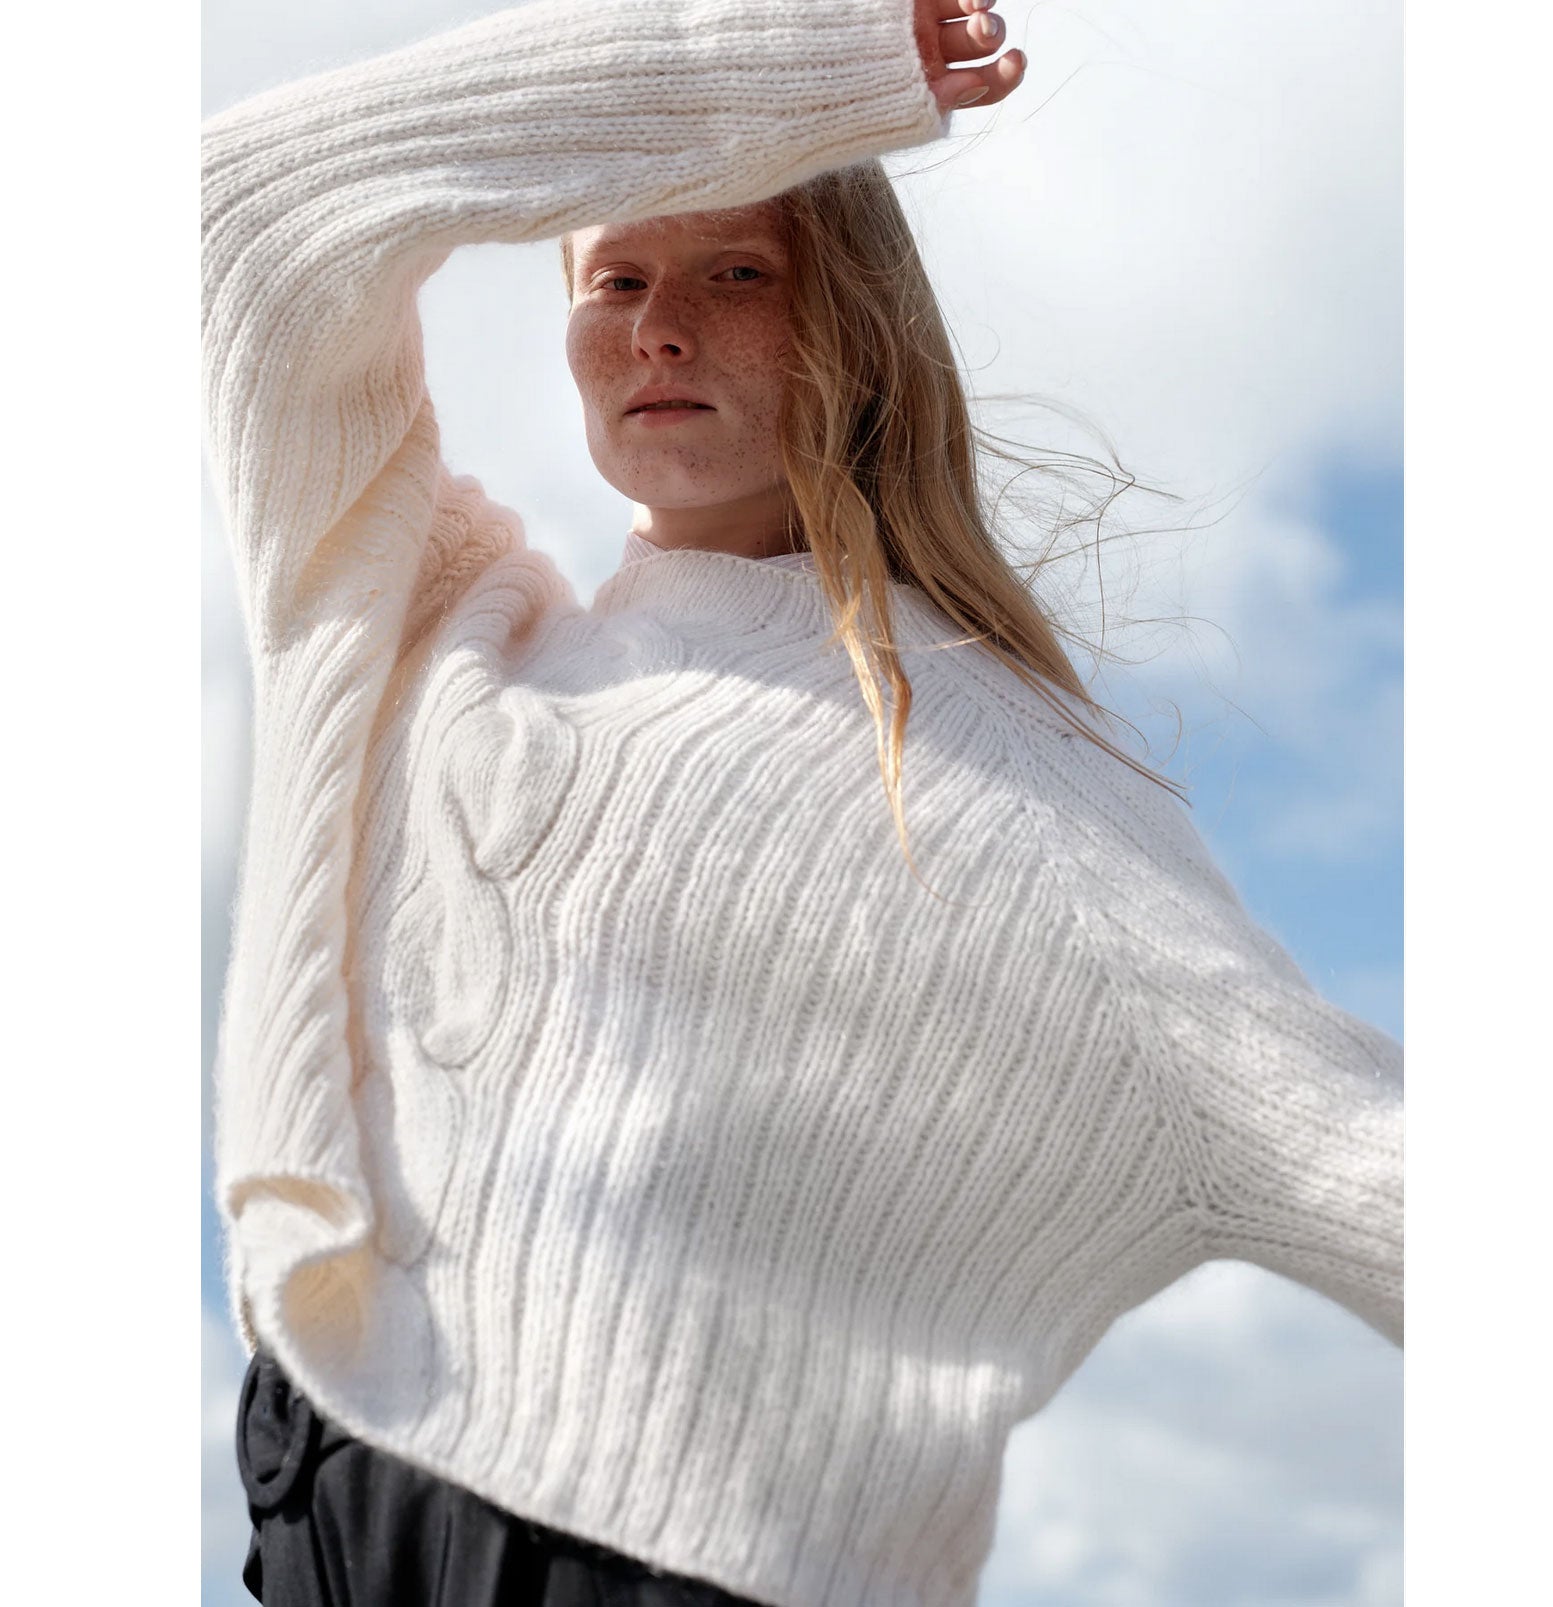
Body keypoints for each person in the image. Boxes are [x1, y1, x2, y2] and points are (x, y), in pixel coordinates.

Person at [200, 0, 1402, 1603]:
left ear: (859, 321)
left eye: (738, 272)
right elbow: (253, 204)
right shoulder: (433, 615)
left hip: (650, 1564)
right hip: (318, 1506)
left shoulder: (993, 773)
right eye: (615, 278)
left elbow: (1364, 1159)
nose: (659, 328)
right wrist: (755, 69)